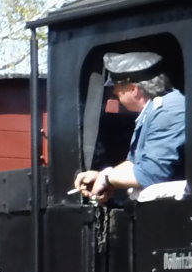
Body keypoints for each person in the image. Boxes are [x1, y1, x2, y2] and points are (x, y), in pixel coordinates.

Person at [72, 51, 185, 203]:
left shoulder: (167, 111)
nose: (114, 92)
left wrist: (107, 178)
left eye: (117, 87)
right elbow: (134, 163)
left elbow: (151, 173)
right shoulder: (151, 111)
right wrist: (101, 176)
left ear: (133, 90)